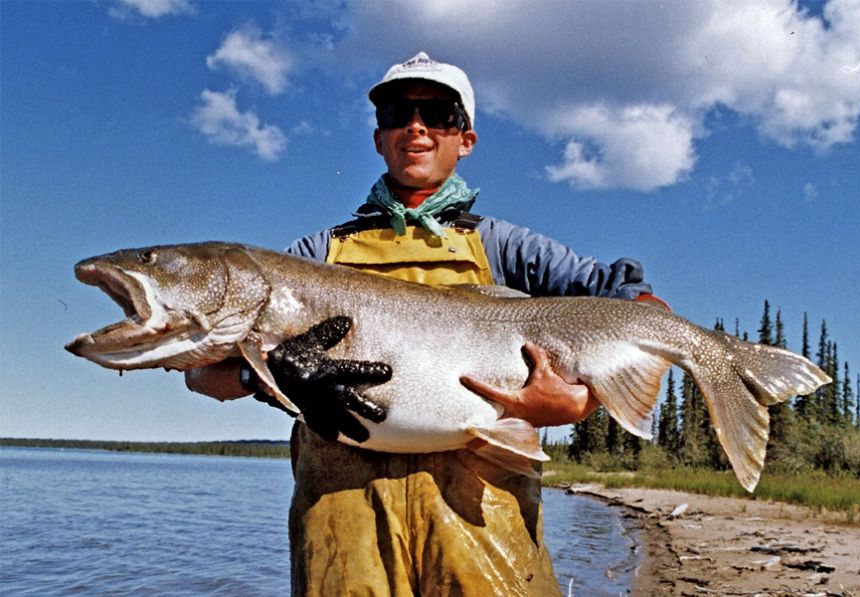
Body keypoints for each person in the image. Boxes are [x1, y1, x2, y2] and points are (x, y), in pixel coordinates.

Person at [186, 52, 661, 596]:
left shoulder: (509, 247)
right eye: (397, 112)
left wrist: (582, 403)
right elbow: (202, 372)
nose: (416, 126)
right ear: (378, 137)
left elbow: (642, 314)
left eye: (438, 114)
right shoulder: (314, 258)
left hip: (484, 517)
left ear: (466, 140)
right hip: (341, 521)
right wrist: (264, 378)